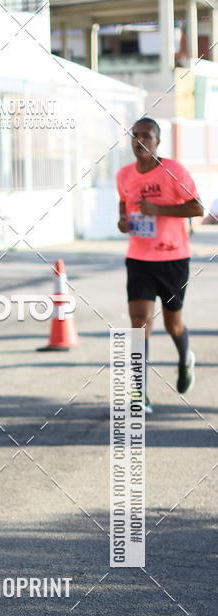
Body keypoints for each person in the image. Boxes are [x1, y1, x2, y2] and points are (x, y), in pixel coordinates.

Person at [116, 117, 203, 413]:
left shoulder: (173, 171)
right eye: (135, 135)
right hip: (139, 258)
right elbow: (123, 203)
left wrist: (158, 209)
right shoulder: (124, 175)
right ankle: (139, 393)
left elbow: (197, 207)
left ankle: (185, 360)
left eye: (147, 136)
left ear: (158, 141)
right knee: (139, 324)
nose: (139, 141)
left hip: (173, 259)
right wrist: (124, 222)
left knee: (172, 324)